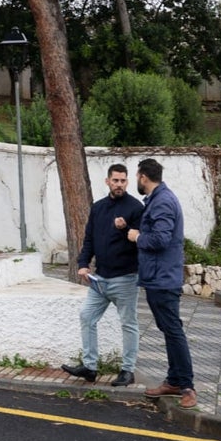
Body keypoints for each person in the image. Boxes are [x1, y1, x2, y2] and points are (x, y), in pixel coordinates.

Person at [61, 163, 144, 386]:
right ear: (107, 181)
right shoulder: (98, 208)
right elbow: (89, 239)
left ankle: (128, 370)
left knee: (128, 323)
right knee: (87, 317)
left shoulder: (136, 208)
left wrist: (124, 228)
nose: (119, 184)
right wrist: (82, 264)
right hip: (100, 279)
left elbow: (141, 240)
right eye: (115, 180)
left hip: (126, 278)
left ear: (127, 182)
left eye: (123, 180)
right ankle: (90, 367)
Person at [127, 157, 197, 409]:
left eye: (136, 177)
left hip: (163, 279)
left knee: (173, 330)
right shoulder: (159, 200)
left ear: (143, 177)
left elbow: (160, 240)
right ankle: (175, 380)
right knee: (169, 330)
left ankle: (186, 386)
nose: (137, 181)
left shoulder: (163, 202)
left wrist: (137, 236)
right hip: (159, 277)